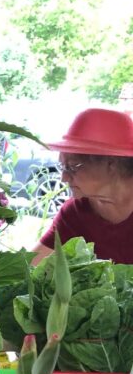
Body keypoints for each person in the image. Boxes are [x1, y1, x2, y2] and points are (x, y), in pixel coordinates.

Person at [32, 107, 133, 265]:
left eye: (72, 167)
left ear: (111, 164)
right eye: (62, 167)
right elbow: (30, 267)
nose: (64, 178)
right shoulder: (75, 213)